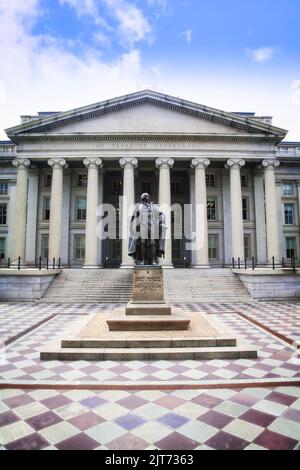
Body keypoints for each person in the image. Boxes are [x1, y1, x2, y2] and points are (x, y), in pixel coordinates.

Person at [128, 193, 166, 265]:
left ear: (148, 198)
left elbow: (161, 214)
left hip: (152, 226)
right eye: (144, 196)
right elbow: (133, 216)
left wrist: (160, 222)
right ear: (142, 198)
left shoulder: (153, 206)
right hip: (142, 226)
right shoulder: (138, 206)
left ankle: (154, 260)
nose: (145, 197)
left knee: (153, 243)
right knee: (142, 243)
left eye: (147, 196)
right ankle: (142, 260)